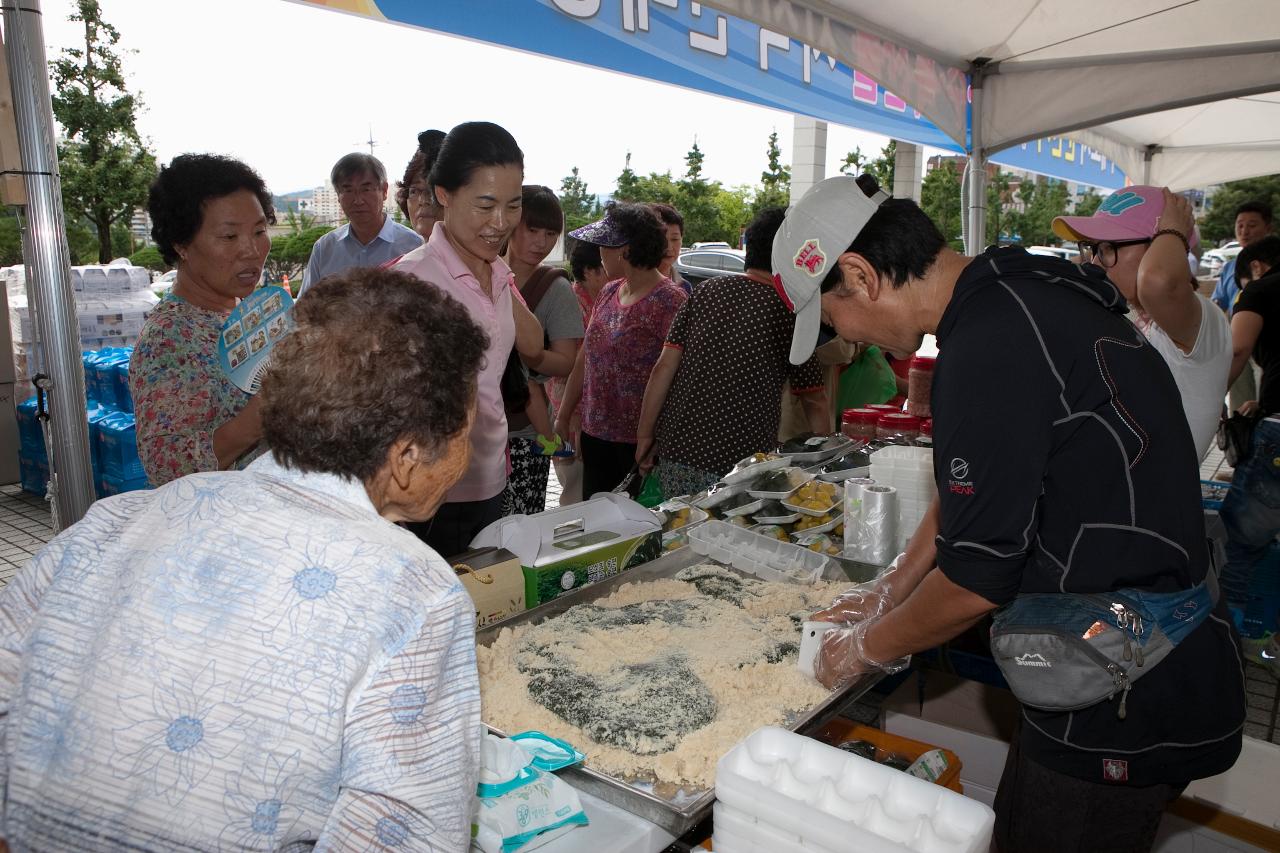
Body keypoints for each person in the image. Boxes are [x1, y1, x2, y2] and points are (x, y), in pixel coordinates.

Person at [786, 175, 1243, 852]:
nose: (845, 338)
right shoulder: (1015, 294)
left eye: (831, 317)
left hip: (1122, 684)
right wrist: (889, 588)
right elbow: (977, 492)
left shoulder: (989, 342)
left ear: (859, 275)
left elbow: (976, 580)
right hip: (1101, 657)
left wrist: (862, 650)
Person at [0, 268, 488, 850]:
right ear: (406, 455)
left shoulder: (113, 523)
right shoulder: (417, 594)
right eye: (467, 427)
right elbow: (401, 835)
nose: (470, 447)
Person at [393, 121, 545, 557]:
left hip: (490, 476)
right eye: (484, 206)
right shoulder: (412, 281)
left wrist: (501, 274)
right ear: (444, 195)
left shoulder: (497, 271)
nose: (500, 224)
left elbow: (530, 346)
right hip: (432, 494)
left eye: (513, 206)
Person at [634, 207, 828, 497]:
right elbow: (814, 399)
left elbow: (664, 368)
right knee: (724, 538)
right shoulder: (791, 313)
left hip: (679, 448)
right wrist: (827, 459)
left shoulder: (705, 292)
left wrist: (645, 436)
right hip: (742, 463)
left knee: (679, 533)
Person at [1053, 186, 1230, 460]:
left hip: (1157, 500)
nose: (1095, 262)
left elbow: (1157, 282)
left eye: (1109, 247)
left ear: (1160, 249)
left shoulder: (1203, 322)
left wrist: (1172, 231)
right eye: (1092, 248)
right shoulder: (1122, 311)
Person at [130, 154, 273, 487]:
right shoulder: (168, 339)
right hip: (227, 530)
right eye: (229, 237)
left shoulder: (245, 313)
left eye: (259, 231)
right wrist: (258, 418)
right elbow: (166, 467)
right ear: (181, 244)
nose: (251, 250)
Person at [555, 204, 687, 498]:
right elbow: (585, 357)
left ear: (623, 250)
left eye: (604, 245)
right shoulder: (609, 291)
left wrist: (652, 437)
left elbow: (678, 377)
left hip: (638, 445)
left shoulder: (670, 301)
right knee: (595, 521)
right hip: (595, 434)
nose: (599, 253)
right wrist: (564, 416)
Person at [501, 185, 584, 515]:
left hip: (522, 432)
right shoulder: (475, 272)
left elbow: (567, 363)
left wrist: (526, 353)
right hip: (472, 429)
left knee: (519, 530)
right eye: (531, 229)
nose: (541, 241)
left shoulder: (555, 288)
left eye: (550, 233)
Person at [1221, 234, 1280, 672]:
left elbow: (1237, 348)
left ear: (1257, 267)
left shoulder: (1260, 290)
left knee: (1242, 542)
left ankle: (1233, 639)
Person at [299, 153, 422, 296]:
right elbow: (306, 308)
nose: (358, 200)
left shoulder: (413, 245)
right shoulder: (324, 249)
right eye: (348, 190)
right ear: (338, 196)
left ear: (384, 190)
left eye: (366, 189)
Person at [550, 240, 611, 505]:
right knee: (573, 489)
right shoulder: (572, 303)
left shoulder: (598, 300)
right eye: (606, 267)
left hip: (576, 412)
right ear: (590, 271)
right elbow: (575, 365)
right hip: (569, 413)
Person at [1212, 201, 1274, 412]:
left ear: (1268, 227)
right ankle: (1240, 437)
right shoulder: (1231, 266)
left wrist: (1211, 397)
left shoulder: (1269, 268)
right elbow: (1218, 302)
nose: (1244, 231)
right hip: (1235, 337)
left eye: (1252, 225)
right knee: (1240, 404)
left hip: (1266, 341)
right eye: (1240, 225)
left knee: (1266, 394)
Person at [394, 130, 446, 240]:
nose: (423, 200)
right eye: (414, 191)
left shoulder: (486, 255)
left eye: (431, 191)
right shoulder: (407, 256)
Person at [651, 202, 688, 293]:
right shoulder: (628, 286)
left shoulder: (685, 288)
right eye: (661, 239)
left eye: (675, 239)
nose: (668, 247)